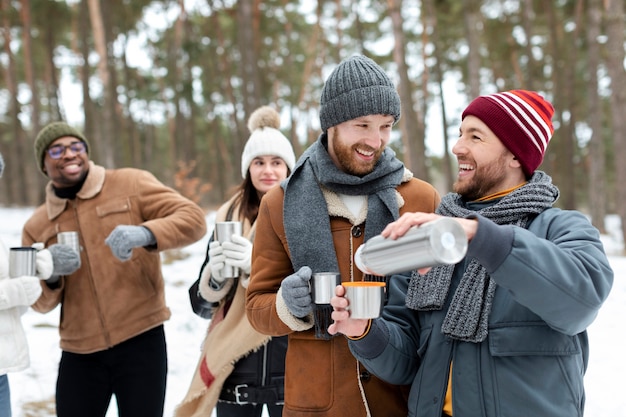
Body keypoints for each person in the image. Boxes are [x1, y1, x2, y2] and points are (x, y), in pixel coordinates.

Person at [328, 90, 615, 417]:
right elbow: (406, 364)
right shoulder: (433, 238)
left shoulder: (560, 228)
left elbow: (581, 301)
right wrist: (364, 330)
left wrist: (479, 236)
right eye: (460, 133)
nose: (458, 147)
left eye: (475, 137)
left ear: (516, 156)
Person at [245, 54, 441, 417]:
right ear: (331, 124)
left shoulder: (419, 197)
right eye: (362, 125)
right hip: (318, 405)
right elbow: (256, 307)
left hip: (395, 399)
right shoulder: (281, 202)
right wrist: (287, 305)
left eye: (385, 126)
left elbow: (435, 308)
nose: (375, 140)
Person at [21, 121, 207, 417]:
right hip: (79, 351)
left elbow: (193, 218)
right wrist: (51, 272)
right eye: (56, 150)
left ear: (86, 152)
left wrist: (146, 233)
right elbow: (40, 303)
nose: (68, 154)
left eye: (76, 146)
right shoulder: (36, 226)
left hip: (141, 339)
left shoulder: (129, 183)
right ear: (44, 164)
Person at [176, 106, 296, 417]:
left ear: (288, 168)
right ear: (248, 168)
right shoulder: (228, 217)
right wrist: (214, 278)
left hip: (290, 364)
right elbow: (201, 306)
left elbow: (309, 285)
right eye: (259, 162)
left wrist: (255, 266)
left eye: (276, 162)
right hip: (235, 369)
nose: (267, 170)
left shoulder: (302, 214)